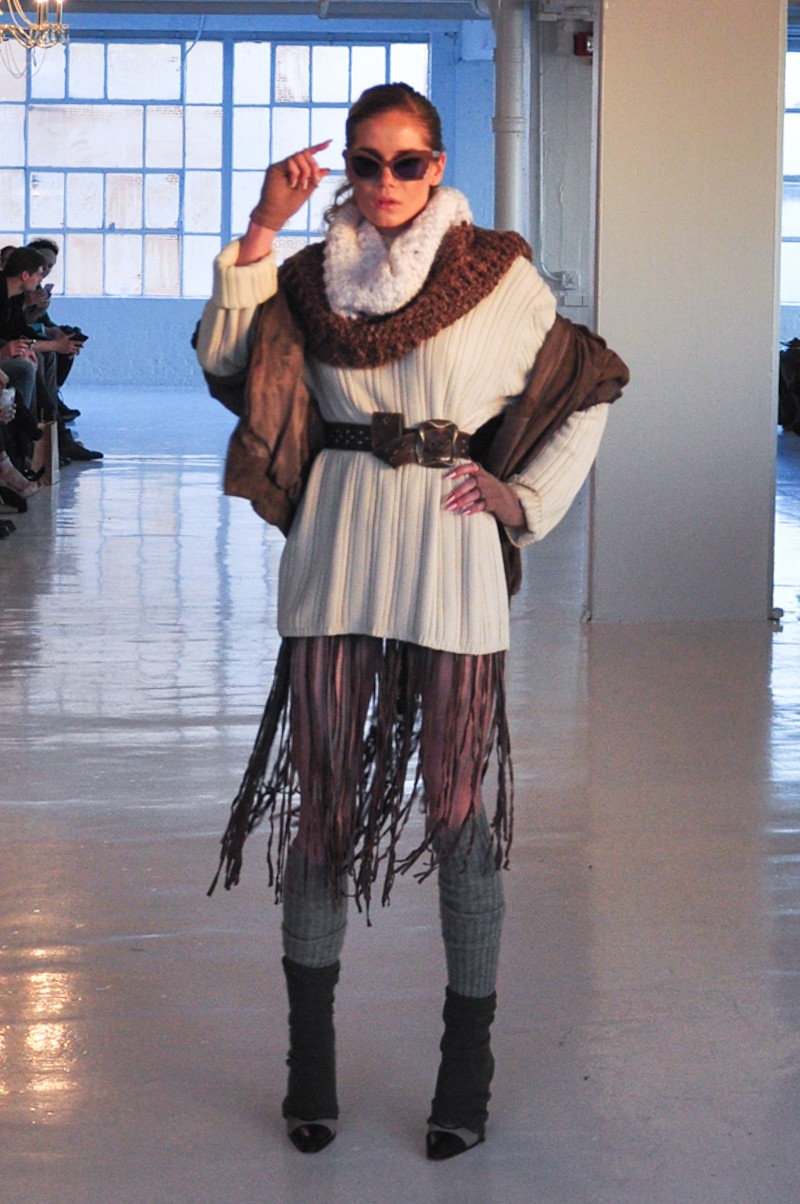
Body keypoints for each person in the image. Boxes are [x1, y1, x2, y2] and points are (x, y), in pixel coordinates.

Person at [196, 82, 628, 1161]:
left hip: (451, 560)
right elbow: (225, 361)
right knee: (324, 810)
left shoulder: (499, 275)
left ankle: (464, 1069)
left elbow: (590, 383)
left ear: (438, 167)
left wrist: (522, 497)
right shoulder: (308, 278)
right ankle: (309, 1067)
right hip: (334, 559)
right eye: (366, 161)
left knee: (454, 805)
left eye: (407, 162)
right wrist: (261, 228)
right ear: (344, 167)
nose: (385, 181)